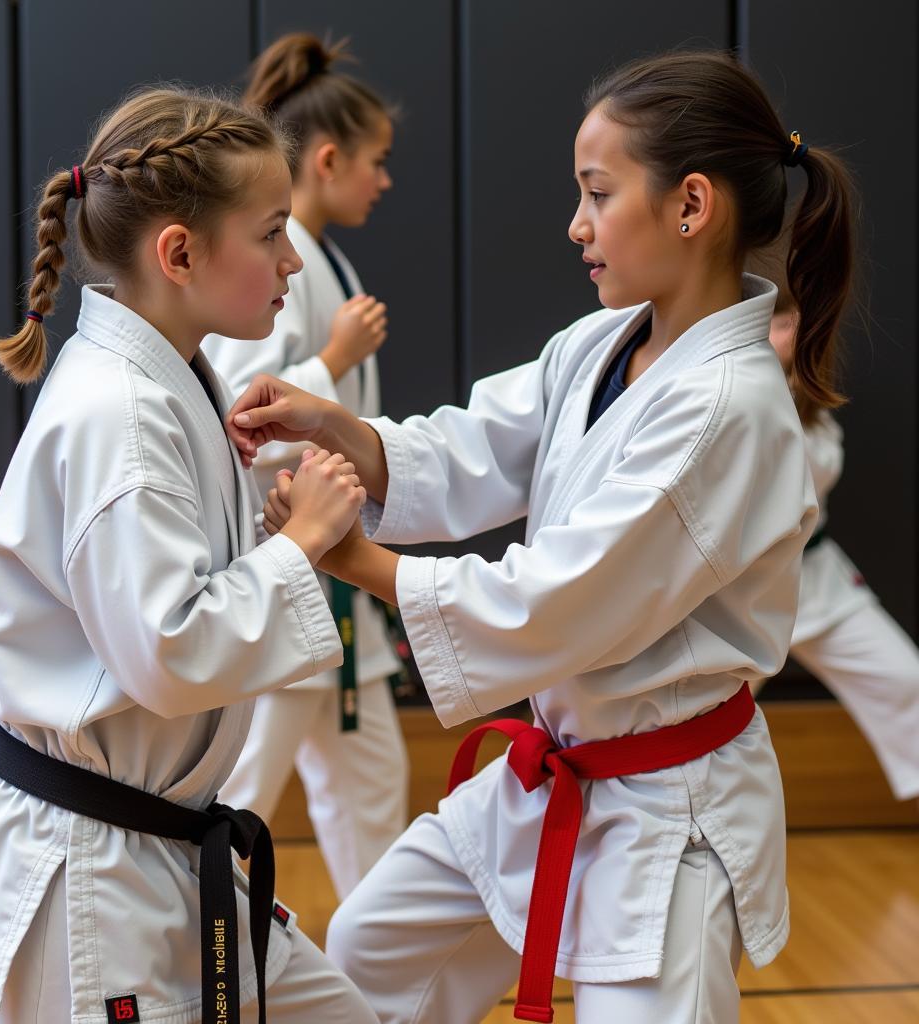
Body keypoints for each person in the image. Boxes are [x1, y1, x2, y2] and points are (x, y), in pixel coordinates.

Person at [227, 51, 856, 1023]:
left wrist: (351, 558)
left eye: (597, 194)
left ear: (691, 206)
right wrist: (332, 422)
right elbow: (477, 446)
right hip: (554, 771)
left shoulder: (729, 406)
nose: (576, 225)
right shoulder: (602, 342)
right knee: (365, 953)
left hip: (665, 814)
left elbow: (562, 598)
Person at [0, 86, 378, 1024]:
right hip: (93, 879)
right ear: (179, 253)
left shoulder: (165, 386)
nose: (293, 259)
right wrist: (299, 543)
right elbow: (168, 653)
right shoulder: (122, 415)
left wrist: (255, 525)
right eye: (273, 232)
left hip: (150, 846)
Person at [202, 33, 408, 901]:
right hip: (284, 562)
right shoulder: (283, 274)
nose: (384, 180)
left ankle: (379, 972)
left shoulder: (323, 260)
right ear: (326, 159)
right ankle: (200, 953)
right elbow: (248, 421)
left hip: (333, 580)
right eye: (376, 162)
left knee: (373, 787)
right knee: (240, 789)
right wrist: (329, 359)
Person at [761, 293, 919, 806]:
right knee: (691, 722)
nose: (772, 333)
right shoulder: (713, 394)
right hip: (732, 596)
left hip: (814, 578)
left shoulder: (810, 403)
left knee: (904, 680)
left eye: (784, 321)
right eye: (762, 319)